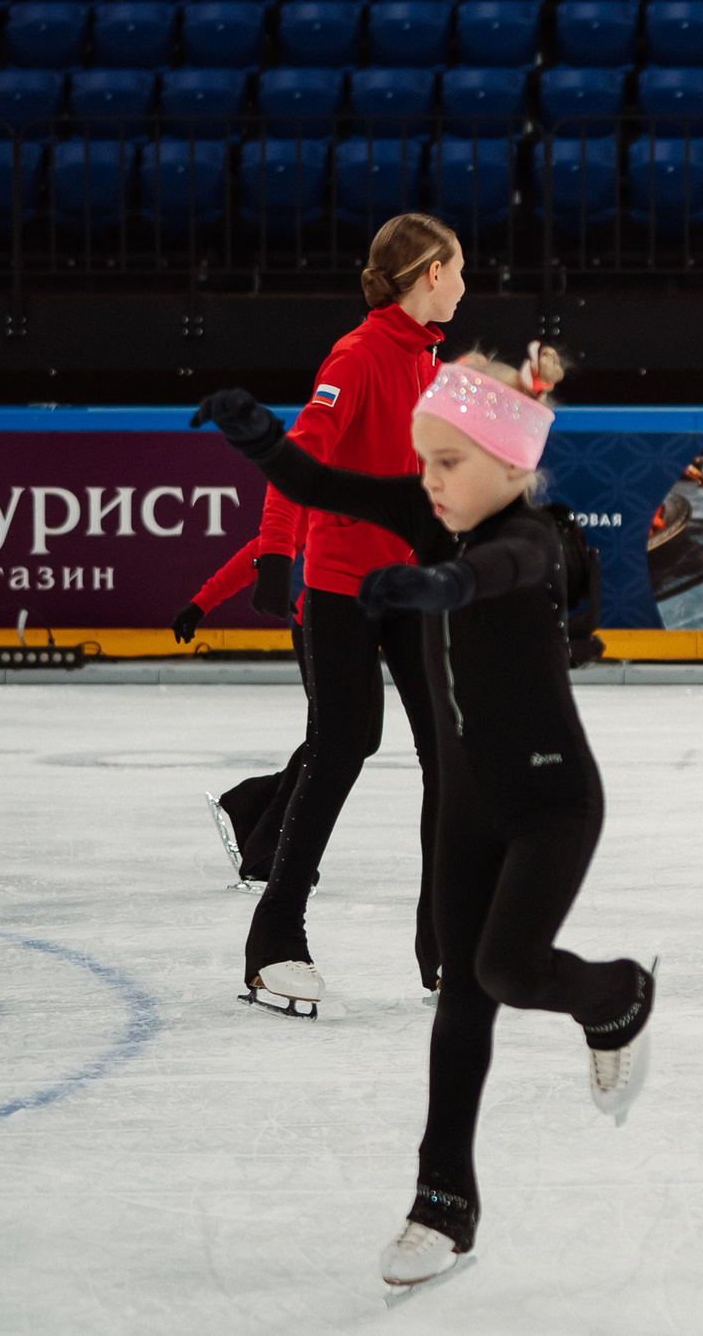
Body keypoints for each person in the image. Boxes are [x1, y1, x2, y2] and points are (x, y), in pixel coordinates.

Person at [194, 347, 656, 1298]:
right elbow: (319, 483)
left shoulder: (534, 536)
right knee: (463, 999)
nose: (430, 479)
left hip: (551, 802)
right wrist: (257, 434)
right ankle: (443, 1204)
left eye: (449, 461)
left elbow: (494, 569)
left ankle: (616, 995)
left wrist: (434, 588)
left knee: (509, 967)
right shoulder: (422, 509)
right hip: (470, 806)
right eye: (424, 460)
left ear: (509, 463)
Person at [237, 213, 461, 1011]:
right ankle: (274, 940)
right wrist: (274, 552)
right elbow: (301, 452)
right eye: (459, 270)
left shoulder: (429, 361)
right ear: (430, 273)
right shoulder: (358, 355)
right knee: (339, 749)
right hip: (342, 587)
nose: (465, 286)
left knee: (449, 753)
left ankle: (445, 940)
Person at [177, 536, 308, 889]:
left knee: (356, 739)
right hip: (322, 624)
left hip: (356, 624)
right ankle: (266, 839)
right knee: (335, 739)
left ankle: (255, 800)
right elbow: (263, 552)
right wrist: (201, 603)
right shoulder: (318, 510)